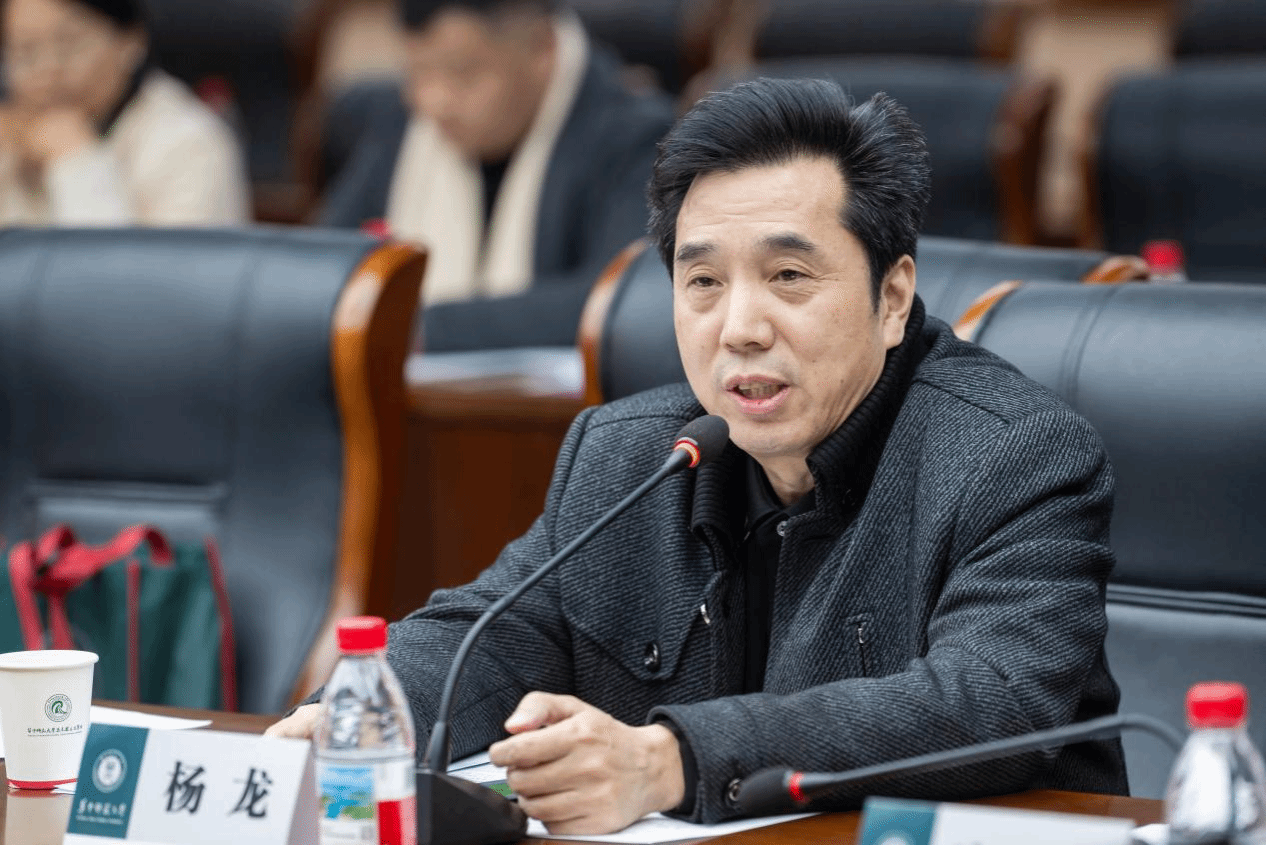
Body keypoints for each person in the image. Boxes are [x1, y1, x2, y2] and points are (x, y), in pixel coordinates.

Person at [270, 77, 1128, 832]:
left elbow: (989, 700)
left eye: (788, 277)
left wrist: (673, 759)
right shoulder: (628, 456)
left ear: (893, 295)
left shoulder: (1012, 455)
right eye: (704, 282)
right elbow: (489, 633)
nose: (740, 327)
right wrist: (355, 714)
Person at [317, 0, 675, 351]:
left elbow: (621, 298)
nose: (434, 101)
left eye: (463, 73)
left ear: (542, 48)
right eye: (417, 71)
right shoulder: (398, 121)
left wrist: (409, 327)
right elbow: (324, 268)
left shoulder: (631, 136)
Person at [0, 0, 250, 226]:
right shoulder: (13, 135)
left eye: (69, 44)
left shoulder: (193, 143)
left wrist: (77, 161)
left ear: (131, 41)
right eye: (24, 52)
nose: (48, 70)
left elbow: (109, 262)